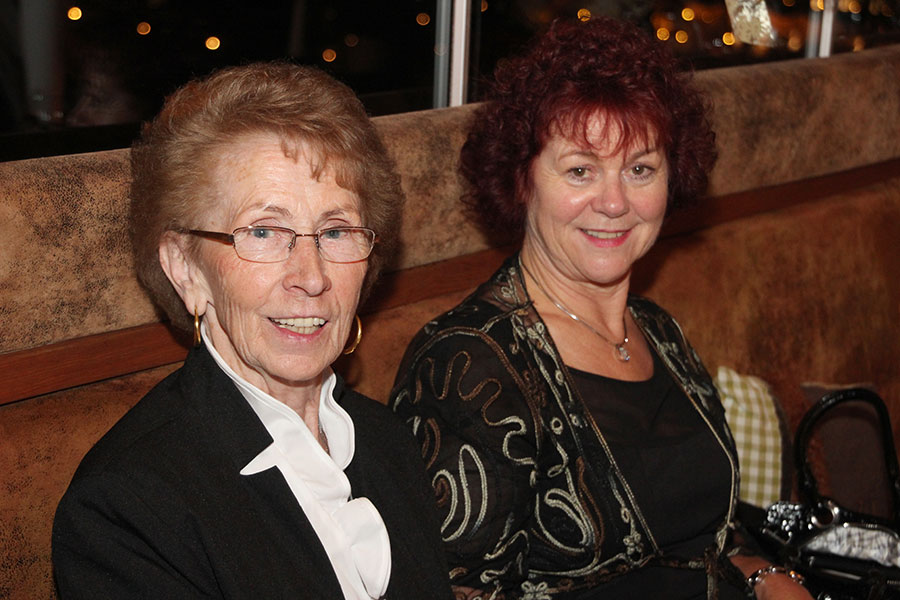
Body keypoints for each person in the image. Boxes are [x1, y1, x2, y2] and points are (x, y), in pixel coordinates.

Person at [391, 17, 811, 600]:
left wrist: (764, 574)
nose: (614, 202)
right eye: (580, 170)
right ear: (521, 179)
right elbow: (449, 589)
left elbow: (701, 535)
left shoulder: (657, 330)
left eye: (640, 169)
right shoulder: (469, 369)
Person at [52, 62, 452, 599]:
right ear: (186, 269)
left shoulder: (389, 441)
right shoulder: (126, 508)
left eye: (335, 232)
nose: (311, 277)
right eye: (263, 232)